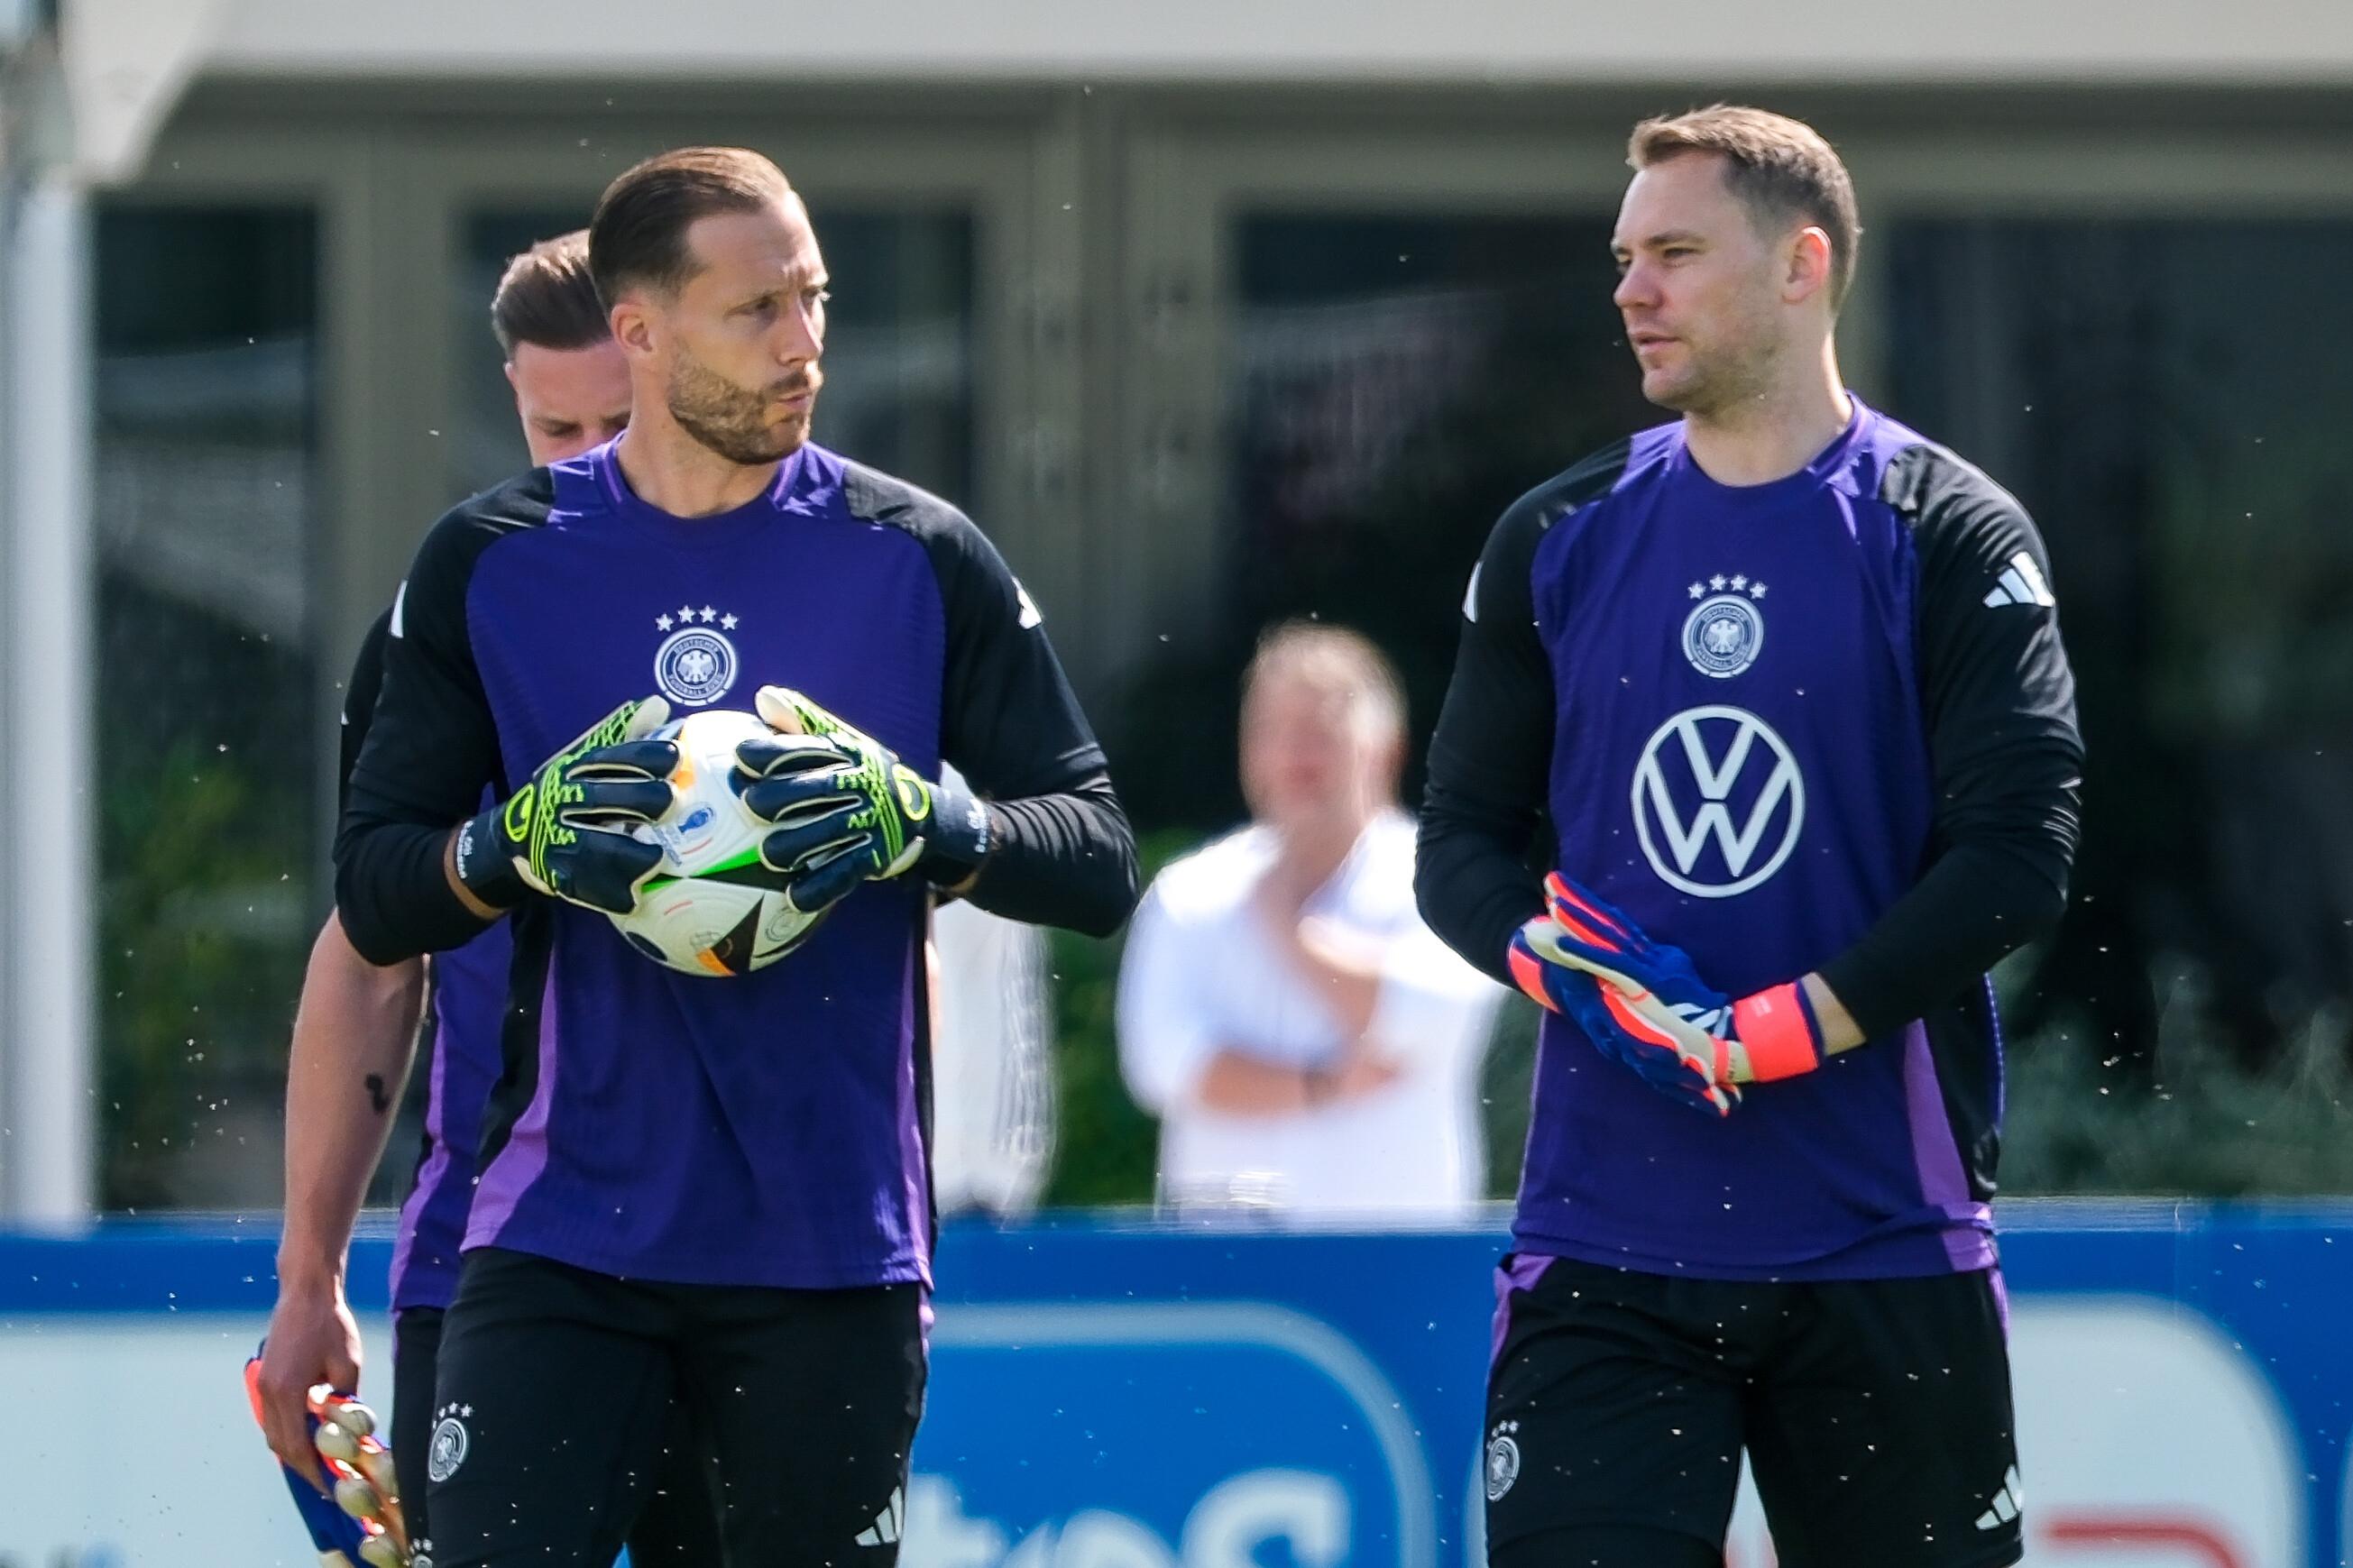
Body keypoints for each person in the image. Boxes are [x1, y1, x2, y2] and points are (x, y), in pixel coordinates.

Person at [335, 146, 1135, 1567]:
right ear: (639, 332)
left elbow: (1091, 851)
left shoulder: (919, 554)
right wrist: (512, 845)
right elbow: (377, 884)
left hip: (830, 1253)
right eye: (757, 308)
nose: (805, 343)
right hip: (559, 1236)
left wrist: (930, 823)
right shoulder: (488, 562)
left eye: (815, 299)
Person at [1416, 105, 2082, 1568]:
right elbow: (1456, 842)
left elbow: (2017, 850)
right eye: (1619, 257)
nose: (1627, 289)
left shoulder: (1947, 529)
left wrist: (1790, 1024)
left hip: (1880, 1236)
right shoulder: (1553, 533)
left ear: (1799, 266)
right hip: (1605, 1244)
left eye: (1670, 253)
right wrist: (1553, 968)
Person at [253, 232, 725, 1563]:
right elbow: (370, 958)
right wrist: (307, 1283)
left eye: (615, 423)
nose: (583, 458)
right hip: (489, 1262)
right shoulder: (449, 622)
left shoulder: (803, 602)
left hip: (764, 1269)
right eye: (548, 424)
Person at [1119, 622, 1500, 1219]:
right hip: (1222, 1267)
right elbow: (1164, 1065)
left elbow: (1428, 1019)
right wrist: (1320, 1085)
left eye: (1319, 729)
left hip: (1398, 1258)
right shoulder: (1189, 891)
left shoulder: (1444, 883)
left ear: (1386, 747)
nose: (1295, 754)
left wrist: (1292, 933)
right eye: (1272, 729)